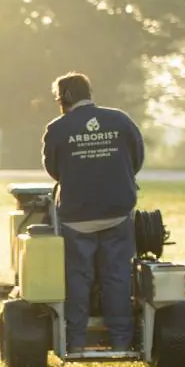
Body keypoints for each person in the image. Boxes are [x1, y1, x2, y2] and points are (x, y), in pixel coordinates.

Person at [41, 72, 145, 351]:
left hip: (76, 219)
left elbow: (53, 169)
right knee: (117, 277)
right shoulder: (121, 121)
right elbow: (136, 159)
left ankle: (75, 343)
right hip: (117, 214)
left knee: (78, 278)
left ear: (65, 98)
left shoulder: (57, 128)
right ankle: (121, 343)